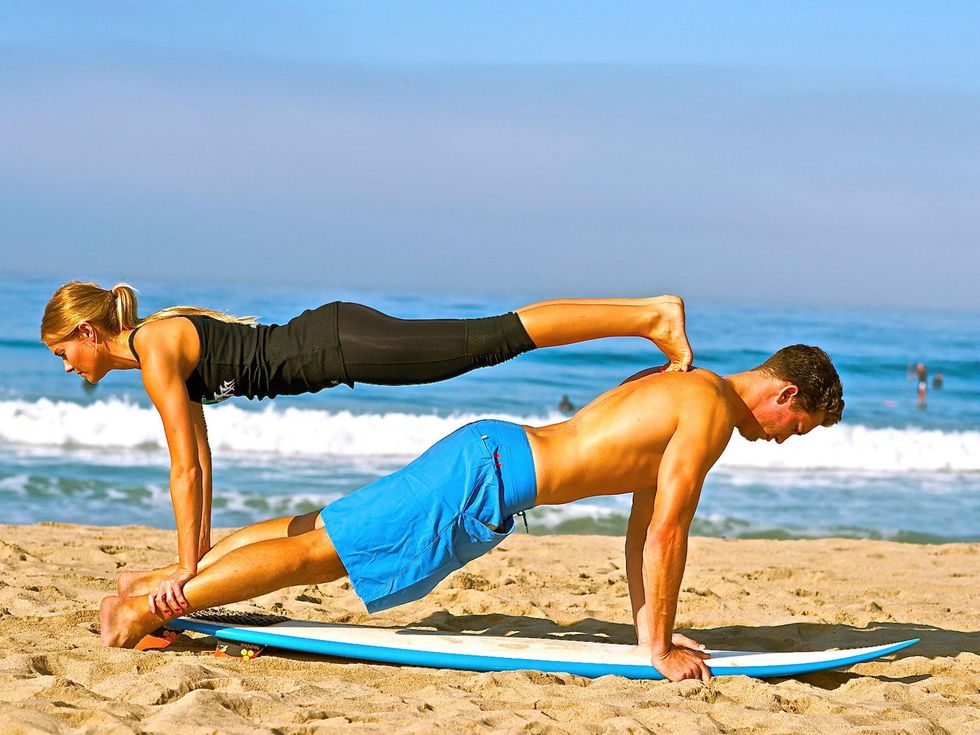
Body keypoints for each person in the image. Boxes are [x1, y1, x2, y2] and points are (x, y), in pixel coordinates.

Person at [99, 344, 844, 682]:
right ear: (784, 395)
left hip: (488, 452)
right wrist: (660, 655)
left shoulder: (689, 388)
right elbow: (668, 531)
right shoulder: (709, 412)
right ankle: (147, 611)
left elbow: (642, 526)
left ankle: (153, 586)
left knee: (326, 530)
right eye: (796, 427)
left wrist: (650, 629)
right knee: (325, 554)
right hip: (487, 477)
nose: (782, 440)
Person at [41, 283, 693, 610]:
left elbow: (185, 466)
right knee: (485, 342)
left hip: (338, 344)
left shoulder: (154, 349)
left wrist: (189, 567)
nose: (67, 366)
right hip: (336, 341)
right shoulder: (156, 345)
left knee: (488, 339)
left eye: (63, 351)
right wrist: (191, 561)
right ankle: (644, 317)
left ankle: (648, 315)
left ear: (89, 331)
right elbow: (200, 462)